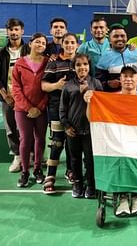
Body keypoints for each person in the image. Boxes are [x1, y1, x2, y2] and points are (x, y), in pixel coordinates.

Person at [84, 65, 137, 216]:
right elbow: (92, 118)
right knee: (121, 158)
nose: (128, 79)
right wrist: (89, 103)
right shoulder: (110, 100)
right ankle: (123, 198)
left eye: (132, 76)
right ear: (120, 80)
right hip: (117, 145)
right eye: (125, 76)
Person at [60, 53, 103, 199]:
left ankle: (91, 184)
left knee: (90, 159)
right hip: (73, 131)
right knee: (74, 159)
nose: (82, 67)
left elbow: (102, 107)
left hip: (91, 131)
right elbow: (62, 109)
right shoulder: (68, 86)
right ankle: (78, 184)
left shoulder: (96, 84)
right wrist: (66, 125)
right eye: (78, 65)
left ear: (89, 66)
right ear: (74, 68)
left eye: (85, 64)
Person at [41, 33, 79, 193]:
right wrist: (57, 85)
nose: (70, 45)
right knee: (57, 143)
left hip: (76, 110)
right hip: (56, 109)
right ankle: (50, 176)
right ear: (62, 44)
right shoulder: (53, 63)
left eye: (72, 42)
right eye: (67, 42)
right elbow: (43, 85)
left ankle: (71, 171)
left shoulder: (80, 62)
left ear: (77, 45)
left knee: (73, 143)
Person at [12, 33, 49, 188]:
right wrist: (29, 108)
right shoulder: (19, 64)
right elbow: (16, 89)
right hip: (22, 110)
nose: (40, 45)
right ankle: (25, 171)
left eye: (43, 43)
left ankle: (38, 169)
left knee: (40, 139)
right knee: (25, 140)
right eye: (37, 42)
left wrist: (39, 107)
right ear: (30, 43)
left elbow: (48, 88)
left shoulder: (48, 63)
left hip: (41, 110)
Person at [0, 18, 26, 173]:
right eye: (11, 30)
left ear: (22, 31)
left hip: (26, 97)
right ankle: (17, 156)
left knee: (27, 128)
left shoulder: (29, 50)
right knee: (11, 128)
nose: (13, 32)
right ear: (7, 32)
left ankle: (31, 155)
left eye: (16, 29)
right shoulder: (1, 54)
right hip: (9, 97)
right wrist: (5, 95)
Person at [96, 24, 137, 93]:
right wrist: (108, 84)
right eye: (116, 36)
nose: (120, 38)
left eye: (122, 36)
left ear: (126, 37)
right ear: (109, 40)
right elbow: (98, 83)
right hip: (116, 100)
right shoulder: (104, 58)